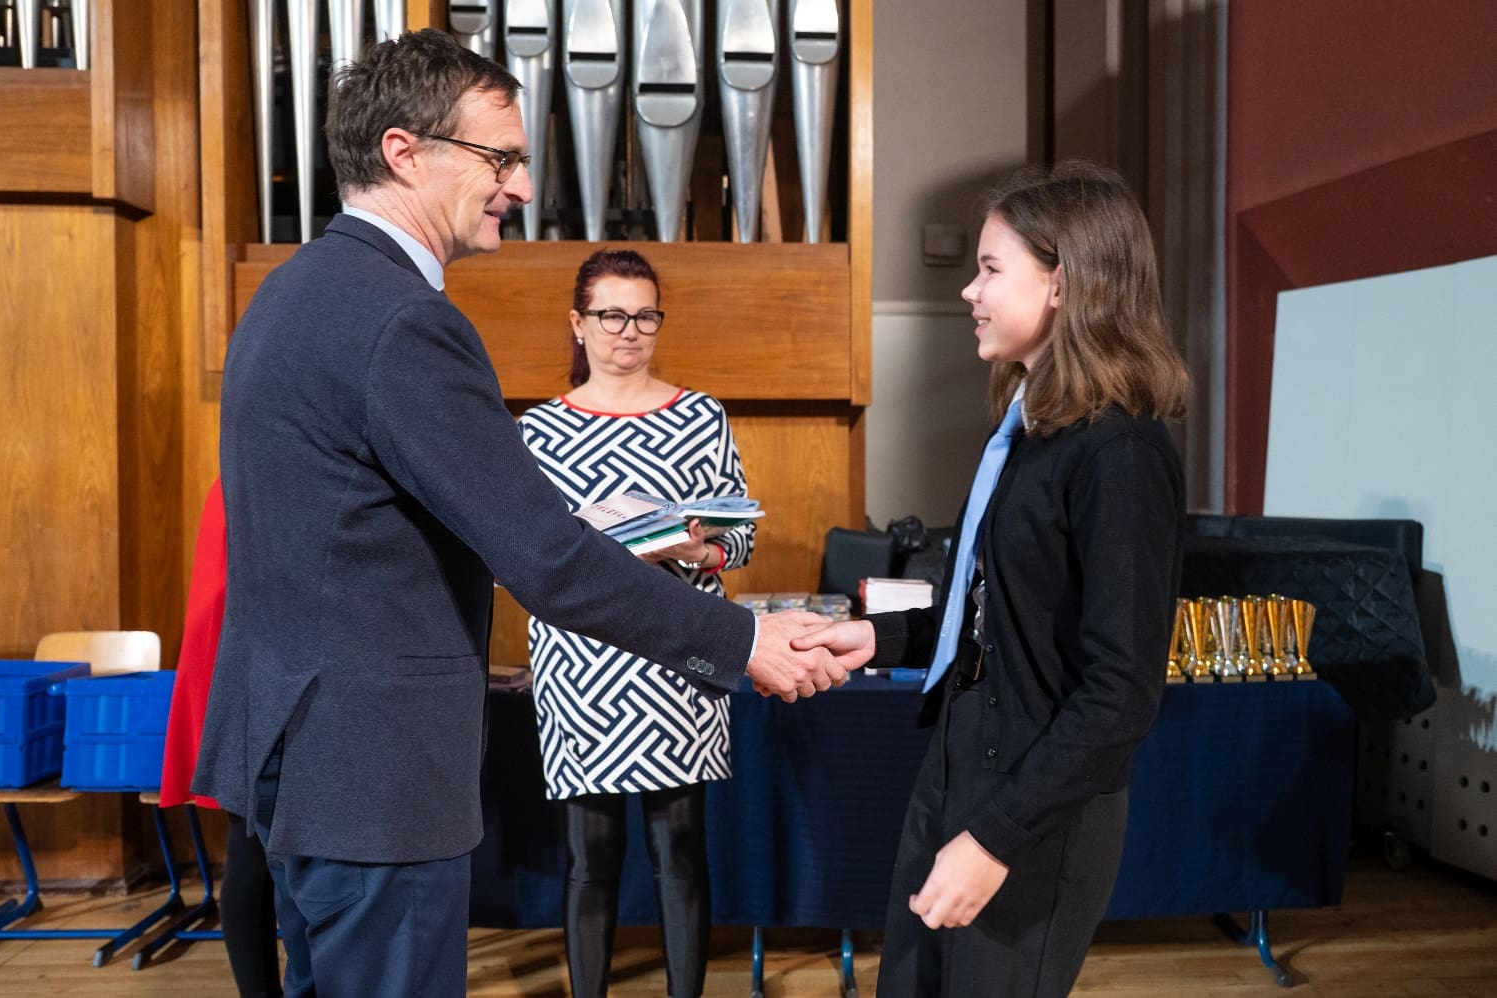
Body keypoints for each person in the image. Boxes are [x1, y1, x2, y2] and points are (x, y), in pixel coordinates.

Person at [190, 29, 848, 998]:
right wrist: (740, 638)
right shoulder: (403, 321)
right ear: (404, 152)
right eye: (499, 157)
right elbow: (545, 555)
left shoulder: (288, 293)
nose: (524, 186)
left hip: (295, 755)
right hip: (374, 778)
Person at [796, 161, 1189, 996]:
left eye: (990, 269)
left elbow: (1123, 691)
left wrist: (995, 838)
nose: (968, 292)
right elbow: (994, 612)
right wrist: (879, 637)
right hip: (960, 763)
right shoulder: (1028, 430)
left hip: (1036, 806)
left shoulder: (1120, 452)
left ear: (1063, 283)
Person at [517, 248, 751, 998]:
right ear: (578, 323)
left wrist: (696, 548)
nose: (629, 331)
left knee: (680, 849)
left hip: (681, 654)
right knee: (589, 856)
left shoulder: (700, 415)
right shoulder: (538, 431)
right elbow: (524, 554)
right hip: (581, 663)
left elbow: (740, 537)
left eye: (645, 315)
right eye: (612, 315)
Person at [158, 479, 280, 998]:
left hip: (236, 667)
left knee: (252, 848)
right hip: (248, 672)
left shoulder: (239, 470)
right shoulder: (257, 476)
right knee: (252, 849)